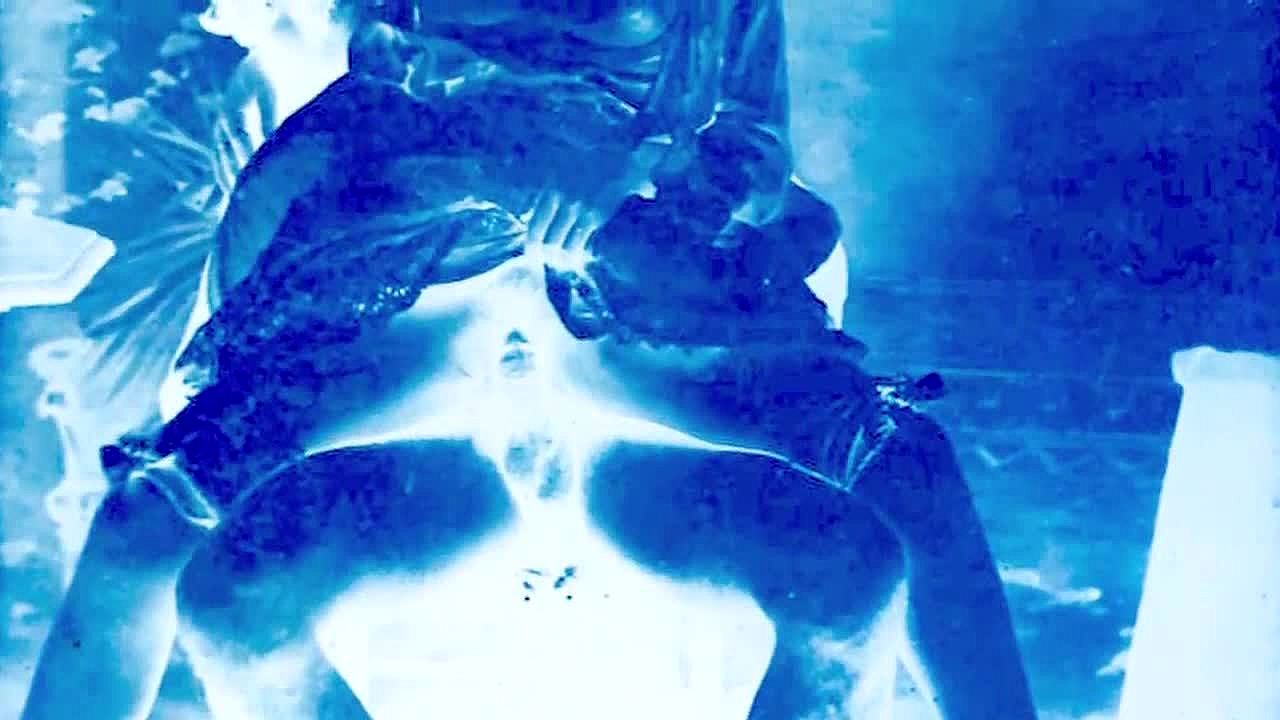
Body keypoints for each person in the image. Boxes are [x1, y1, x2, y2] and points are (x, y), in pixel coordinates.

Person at [21, 1, 1037, 718]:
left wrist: (648, 189)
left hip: (636, 257)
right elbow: (390, 64)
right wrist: (520, 172)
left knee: (905, 463)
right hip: (418, 250)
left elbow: (748, 129)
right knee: (147, 521)